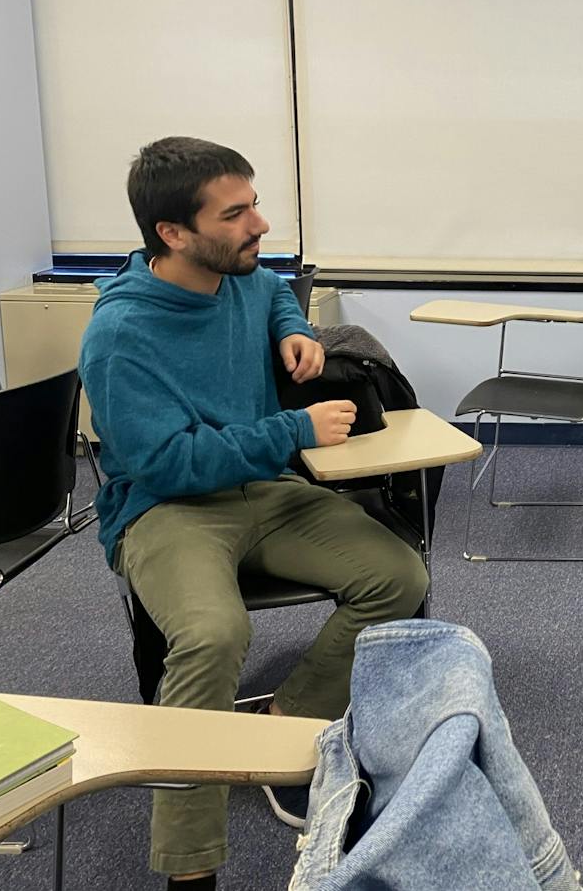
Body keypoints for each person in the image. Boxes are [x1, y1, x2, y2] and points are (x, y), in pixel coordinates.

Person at [79, 137, 430, 891]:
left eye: (254, 202)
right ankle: (190, 866)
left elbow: (274, 287)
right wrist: (294, 430)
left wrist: (292, 326)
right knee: (212, 633)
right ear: (173, 233)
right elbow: (166, 463)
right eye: (236, 212)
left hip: (263, 491)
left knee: (399, 575)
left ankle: (278, 728)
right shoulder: (120, 334)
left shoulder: (237, 276)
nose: (260, 223)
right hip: (169, 509)